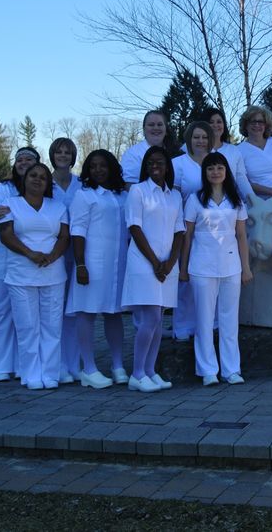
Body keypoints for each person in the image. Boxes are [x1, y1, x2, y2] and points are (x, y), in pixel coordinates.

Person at [181, 152, 253, 386]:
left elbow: (241, 235)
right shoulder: (195, 200)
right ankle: (208, 369)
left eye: (219, 168)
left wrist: (246, 268)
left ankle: (231, 369)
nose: (215, 172)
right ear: (205, 172)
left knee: (229, 320)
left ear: (226, 172)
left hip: (231, 266)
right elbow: (187, 235)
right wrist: (183, 268)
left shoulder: (236, 200)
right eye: (211, 168)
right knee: (203, 319)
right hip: (202, 266)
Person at [0, 162, 70, 390]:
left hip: (53, 273)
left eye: (42, 177)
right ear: (24, 179)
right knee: (28, 327)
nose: (37, 180)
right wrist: (30, 254)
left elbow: (64, 237)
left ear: (48, 183)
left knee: (52, 326)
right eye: (33, 175)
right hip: (21, 275)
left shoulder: (57, 207)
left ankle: (50, 373)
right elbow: (6, 235)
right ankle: (31, 374)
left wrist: (51, 257)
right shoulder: (10, 205)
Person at [121, 146, 185, 392]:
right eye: (150, 163)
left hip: (167, 265)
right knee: (150, 318)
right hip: (143, 263)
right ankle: (137, 373)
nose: (155, 166)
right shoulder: (137, 191)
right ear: (145, 167)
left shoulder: (175, 196)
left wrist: (169, 263)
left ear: (168, 166)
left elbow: (180, 231)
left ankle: (150, 371)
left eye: (160, 162)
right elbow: (134, 228)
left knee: (158, 321)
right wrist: (155, 262)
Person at [66, 149, 129, 389]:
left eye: (103, 165)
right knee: (87, 312)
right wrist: (81, 264)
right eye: (93, 166)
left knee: (114, 313)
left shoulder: (121, 196)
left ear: (112, 167)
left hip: (117, 264)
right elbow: (77, 230)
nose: (98, 170)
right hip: (92, 263)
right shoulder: (85, 196)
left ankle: (117, 365)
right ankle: (89, 368)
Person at [0, 147, 38, 382]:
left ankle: (24, 365)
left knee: (25, 317)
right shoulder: (1, 188)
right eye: (19, 159)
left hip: (27, 263)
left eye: (29, 159)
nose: (23, 162)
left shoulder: (41, 189)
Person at [172, 121, 215, 342]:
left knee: (208, 277)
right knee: (185, 276)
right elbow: (172, 197)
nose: (200, 141)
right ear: (189, 139)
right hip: (185, 226)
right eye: (196, 137)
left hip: (212, 230)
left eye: (204, 137)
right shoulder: (178, 164)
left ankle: (208, 324)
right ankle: (182, 326)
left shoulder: (215, 161)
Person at [48, 137, 83, 384]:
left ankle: (74, 363)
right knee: (54, 312)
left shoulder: (81, 184)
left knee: (74, 311)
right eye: (58, 152)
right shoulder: (43, 182)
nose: (63, 156)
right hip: (51, 253)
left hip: (77, 254)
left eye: (67, 152)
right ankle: (56, 365)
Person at [200, 107, 252, 199]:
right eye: (211, 122)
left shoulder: (233, 150)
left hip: (231, 203)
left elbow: (241, 178)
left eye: (219, 122)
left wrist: (252, 199)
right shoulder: (197, 150)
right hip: (203, 202)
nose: (215, 125)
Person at [120, 110, 171, 185]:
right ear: (144, 130)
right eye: (151, 125)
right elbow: (129, 185)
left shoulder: (175, 152)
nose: (156, 128)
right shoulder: (132, 154)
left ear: (166, 130)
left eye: (160, 124)